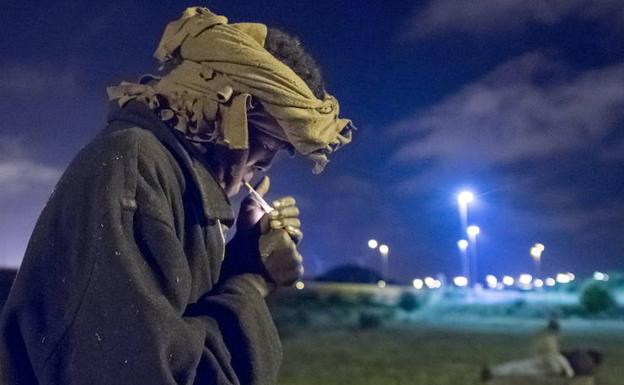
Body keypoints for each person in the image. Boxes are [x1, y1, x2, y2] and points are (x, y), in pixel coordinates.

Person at [0, 7, 352, 385]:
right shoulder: (135, 170)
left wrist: (241, 257)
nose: (267, 162)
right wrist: (250, 283)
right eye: (267, 140)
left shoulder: (178, 182)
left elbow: (177, 319)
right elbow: (148, 372)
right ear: (218, 108)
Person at [482, 319, 602, 381]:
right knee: (526, 372)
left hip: (552, 359)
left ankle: (494, 372)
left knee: (521, 366)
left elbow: (562, 354)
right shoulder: (588, 367)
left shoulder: (580, 353)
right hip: (557, 369)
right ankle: (495, 374)